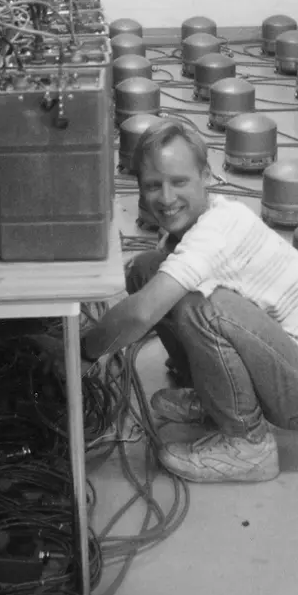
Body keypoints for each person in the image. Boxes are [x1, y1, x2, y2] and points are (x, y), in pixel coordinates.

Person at [41, 118, 298, 483]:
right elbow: (146, 290)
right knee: (147, 270)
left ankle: (248, 443)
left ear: (206, 176)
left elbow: (144, 311)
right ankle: (217, 401)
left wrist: (82, 352)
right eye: (153, 185)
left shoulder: (218, 230)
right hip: (280, 356)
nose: (165, 198)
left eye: (179, 182)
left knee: (201, 307)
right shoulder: (190, 230)